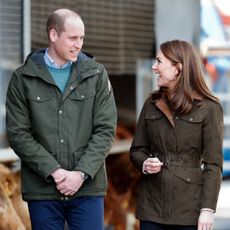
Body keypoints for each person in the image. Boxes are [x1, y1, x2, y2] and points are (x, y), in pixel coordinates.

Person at [6, 8, 117, 230]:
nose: (79, 44)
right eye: (73, 38)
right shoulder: (23, 78)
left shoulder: (96, 74)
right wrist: (55, 172)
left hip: (87, 190)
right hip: (43, 191)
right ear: (53, 35)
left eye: (82, 38)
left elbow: (105, 130)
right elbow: (18, 134)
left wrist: (81, 173)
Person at [130, 40, 223, 230]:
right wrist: (145, 164)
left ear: (177, 68)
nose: (154, 67)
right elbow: (137, 150)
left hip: (189, 208)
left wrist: (208, 209)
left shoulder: (209, 108)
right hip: (152, 206)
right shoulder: (151, 104)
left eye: (159, 61)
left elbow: (213, 164)